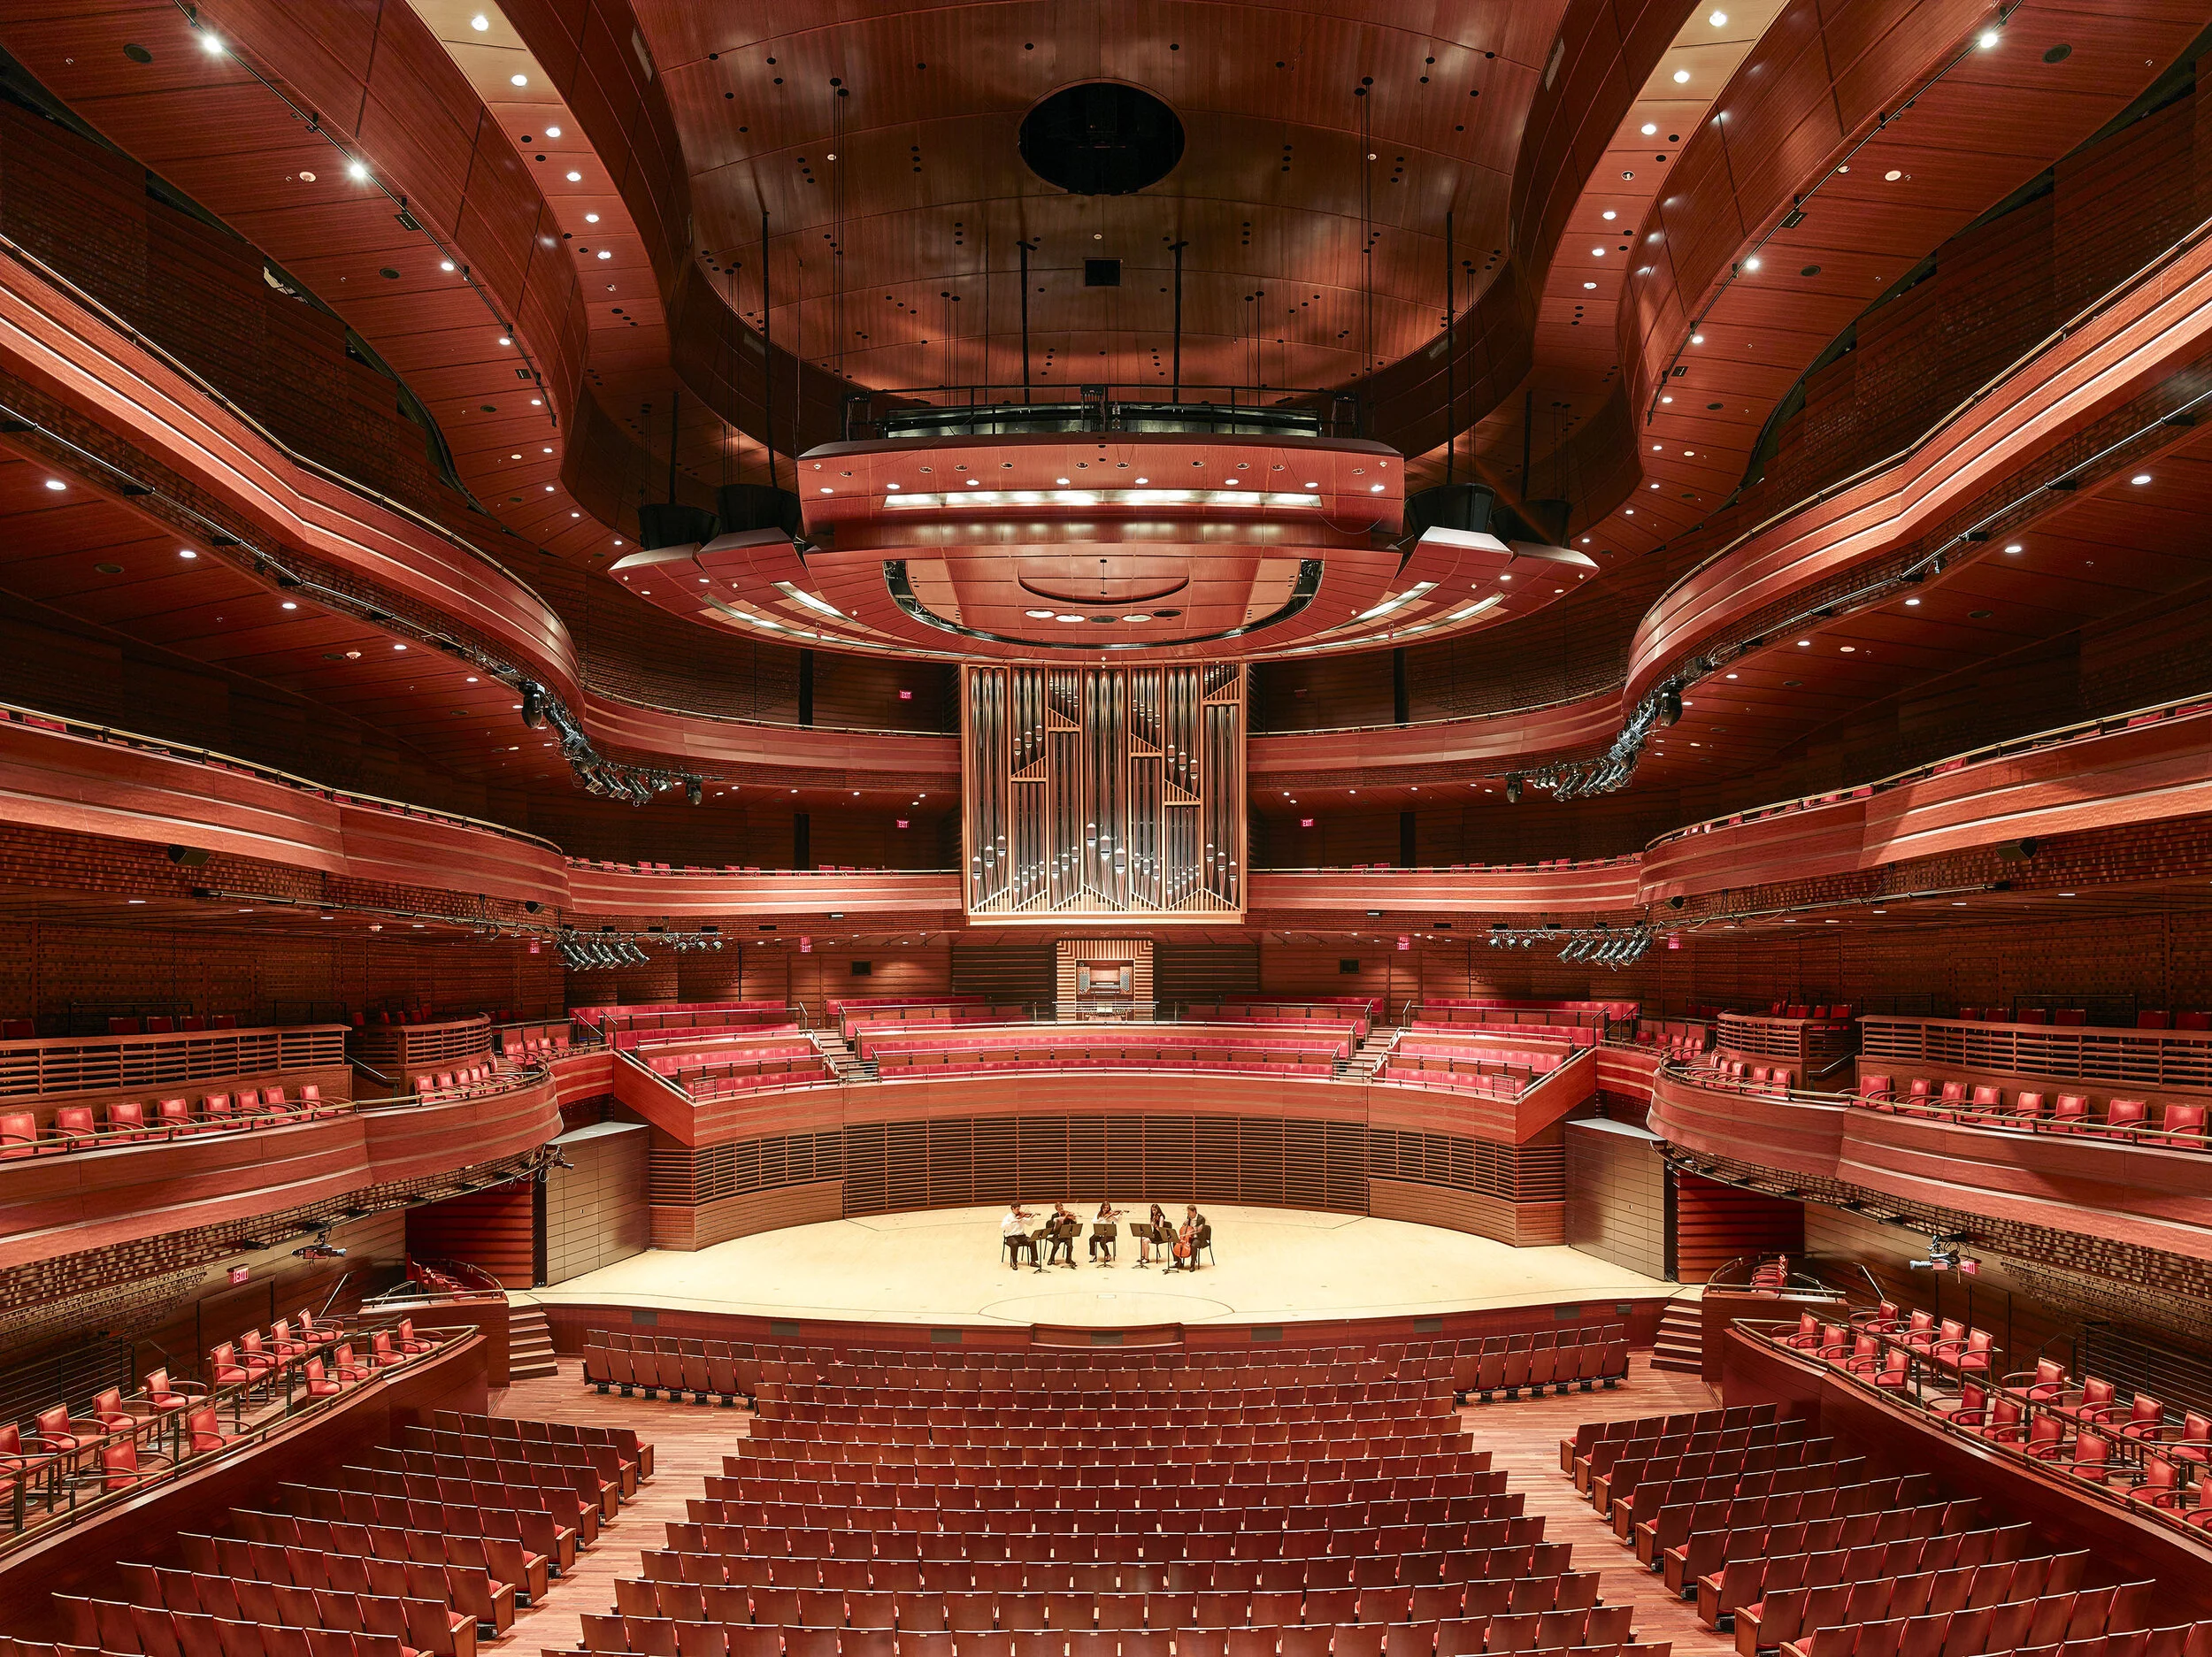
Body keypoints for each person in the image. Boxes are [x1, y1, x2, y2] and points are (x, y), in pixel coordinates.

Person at [1000, 1203, 1038, 1270]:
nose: (1019, 1211)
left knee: (1033, 1241)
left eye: (1019, 1209)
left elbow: (1030, 1223)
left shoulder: (1021, 1216)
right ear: (1013, 1208)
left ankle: (1033, 1261)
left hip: (1021, 1236)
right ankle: (1014, 1262)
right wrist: (1013, 1221)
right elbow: (1002, 1226)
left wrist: (1031, 1217)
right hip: (1011, 1237)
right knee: (1015, 1244)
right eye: (1017, 1209)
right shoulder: (1008, 1217)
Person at [1175, 1203, 1210, 1271]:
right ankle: (1179, 1262)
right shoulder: (1189, 1217)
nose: (1188, 1214)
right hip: (1189, 1237)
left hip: (1198, 1238)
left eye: (1189, 1212)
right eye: (1187, 1212)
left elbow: (1200, 1231)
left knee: (1193, 1245)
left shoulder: (1201, 1219)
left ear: (1194, 1212)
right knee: (1175, 1242)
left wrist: (1195, 1229)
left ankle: (1192, 1265)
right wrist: (1184, 1224)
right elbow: (1185, 1229)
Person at [1044, 1201, 1080, 1268]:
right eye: (1060, 1209)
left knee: (1070, 1245)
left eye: (1062, 1208)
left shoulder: (1067, 1215)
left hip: (1066, 1235)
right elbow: (1054, 1225)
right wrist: (1065, 1217)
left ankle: (1068, 1259)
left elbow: (1073, 1224)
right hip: (1057, 1235)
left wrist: (1074, 1219)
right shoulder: (1054, 1216)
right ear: (1057, 1209)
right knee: (1056, 1246)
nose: (1062, 1210)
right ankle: (1051, 1258)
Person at [1089, 1201, 1125, 1265]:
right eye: (1105, 1208)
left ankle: (1107, 1254)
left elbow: (1118, 1221)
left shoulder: (1110, 1216)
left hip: (1109, 1234)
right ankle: (1093, 1255)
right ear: (1102, 1207)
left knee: (1102, 1242)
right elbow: (1093, 1222)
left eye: (1107, 1208)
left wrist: (1121, 1215)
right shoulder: (1098, 1215)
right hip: (1100, 1233)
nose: (1106, 1209)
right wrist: (1101, 1219)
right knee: (1091, 1239)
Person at [1137, 1202, 1171, 1268]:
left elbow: (1160, 1230)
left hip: (1160, 1236)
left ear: (1158, 1210)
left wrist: (1155, 1225)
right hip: (1154, 1234)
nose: (1153, 1212)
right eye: (1152, 1210)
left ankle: (1147, 1258)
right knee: (1142, 1239)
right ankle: (1142, 1256)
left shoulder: (1161, 1217)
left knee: (1146, 1241)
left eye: (1154, 1210)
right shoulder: (1154, 1216)